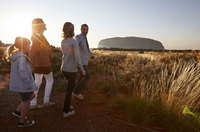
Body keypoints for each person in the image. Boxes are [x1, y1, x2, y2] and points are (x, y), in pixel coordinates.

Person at [6, 37, 38, 127]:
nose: (30, 47)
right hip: (23, 84)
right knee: (26, 101)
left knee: (30, 97)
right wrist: (30, 83)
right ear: (24, 46)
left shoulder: (17, 56)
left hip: (20, 84)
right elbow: (23, 73)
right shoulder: (21, 58)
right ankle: (22, 121)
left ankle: (18, 112)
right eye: (29, 45)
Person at [61, 22, 86, 117]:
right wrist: (83, 71)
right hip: (71, 70)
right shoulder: (73, 41)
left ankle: (66, 105)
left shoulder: (63, 41)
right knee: (69, 90)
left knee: (69, 89)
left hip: (64, 68)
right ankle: (66, 111)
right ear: (72, 30)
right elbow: (77, 58)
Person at [29, 18, 54, 109]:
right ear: (40, 26)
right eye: (43, 24)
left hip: (40, 63)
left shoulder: (38, 35)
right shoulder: (38, 36)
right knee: (50, 80)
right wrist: (32, 65)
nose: (45, 25)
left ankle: (33, 103)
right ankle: (45, 101)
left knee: (37, 82)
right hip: (43, 63)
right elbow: (33, 52)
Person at [72, 24, 95, 99]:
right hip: (80, 62)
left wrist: (92, 57)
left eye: (86, 29)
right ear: (81, 30)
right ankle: (76, 92)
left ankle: (74, 90)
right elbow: (74, 46)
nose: (85, 31)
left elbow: (87, 49)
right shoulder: (78, 37)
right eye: (83, 29)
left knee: (82, 76)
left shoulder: (85, 38)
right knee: (87, 76)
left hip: (85, 61)